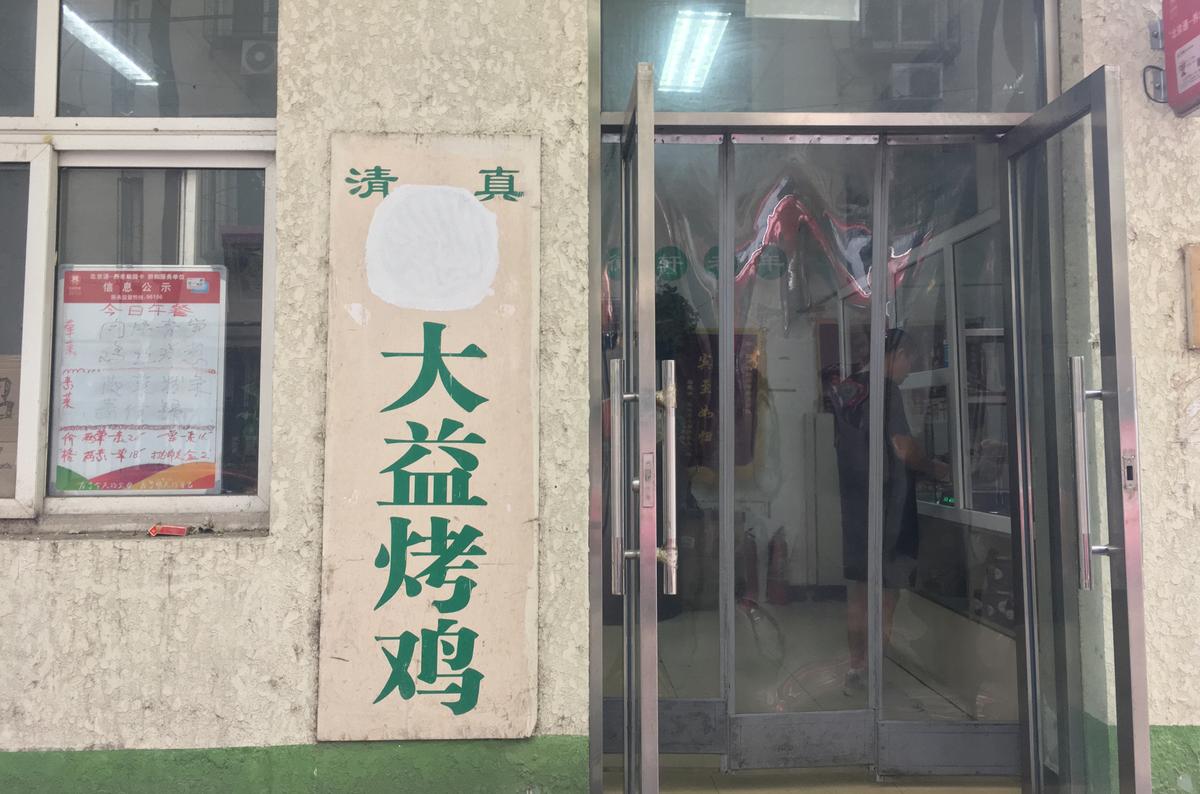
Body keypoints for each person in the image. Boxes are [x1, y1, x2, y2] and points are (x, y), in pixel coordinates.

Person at [830, 327, 950, 695]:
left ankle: (855, 670)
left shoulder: (847, 389)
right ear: (898, 354)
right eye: (910, 362)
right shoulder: (886, 391)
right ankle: (876, 672)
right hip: (889, 508)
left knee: (858, 593)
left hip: (854, 507)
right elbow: (902, 448)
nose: (909, 371)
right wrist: (935, 468)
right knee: (885, 593)